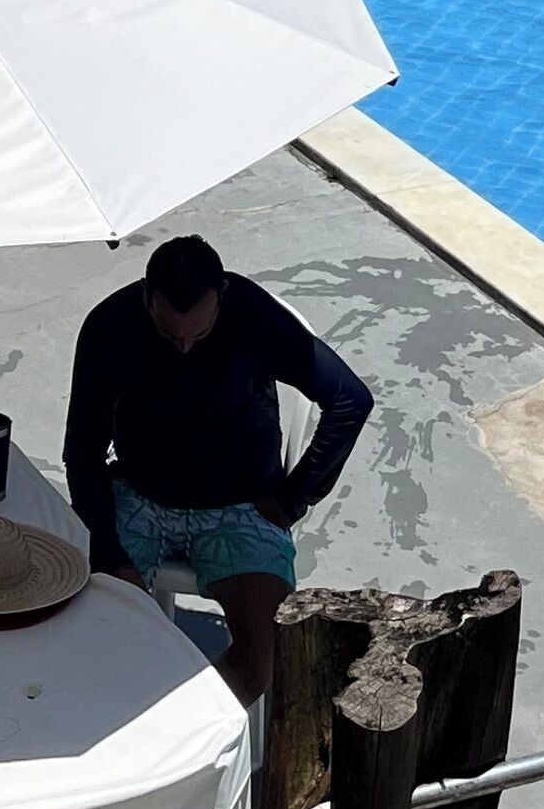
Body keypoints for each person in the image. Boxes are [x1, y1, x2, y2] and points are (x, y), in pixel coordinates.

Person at [63, 233, 372, 705]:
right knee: (83, 640)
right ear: (147, 298)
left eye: (199, 335)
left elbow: (350, 400)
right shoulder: (110, 325)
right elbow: (83, 453)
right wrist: (110, 555)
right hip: (139, 494)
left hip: (241, 505)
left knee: (261, 663)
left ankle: (180, 732)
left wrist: (292, 498)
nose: (185, 348)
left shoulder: (255, 316)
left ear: (222, 296)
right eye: (170, 335)